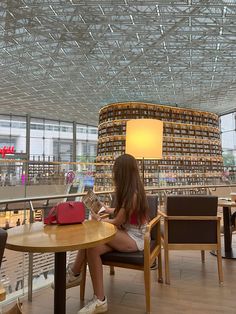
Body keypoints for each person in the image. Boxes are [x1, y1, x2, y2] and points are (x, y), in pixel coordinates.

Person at [64, 154, 149, 314]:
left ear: (122, 173)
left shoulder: (132, 195)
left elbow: (117, 222)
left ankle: (74, 273)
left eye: (115, 171)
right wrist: (103, 208)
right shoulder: (132, 191)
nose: (113, 174)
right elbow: (121, 213)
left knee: (94, 231)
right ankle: (99, 300)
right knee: (93, 248)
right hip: (127, 232)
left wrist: (98, 220)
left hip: (135, 238)